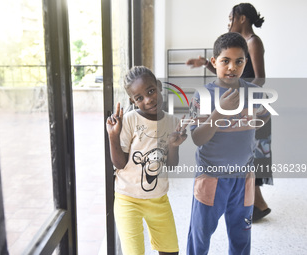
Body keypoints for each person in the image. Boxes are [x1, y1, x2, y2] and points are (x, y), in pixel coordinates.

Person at [186, 32, 270, 255]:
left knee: (241, 234)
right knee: (201, 233)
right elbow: (197, 138)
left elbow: (264, 115)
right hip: (211, 178)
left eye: (239, 61)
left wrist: (257, 117)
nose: (232, 67)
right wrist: (218, 112)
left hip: (243, 178)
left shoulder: (253, 92)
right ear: (214, 62)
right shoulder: (204, 95)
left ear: (246, 62)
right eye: (225, 61)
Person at [106, 66, 188, 255]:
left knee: (170, 251)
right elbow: (120, 164)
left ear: (159, 86)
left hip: (159, 199)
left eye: (151, 91)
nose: (148, 99)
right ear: (133, 101)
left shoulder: (173, 122)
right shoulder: (129, 120)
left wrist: (174, 145)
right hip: (128, 200)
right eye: (139, 98)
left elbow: (171, 166)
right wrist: (113, 136)